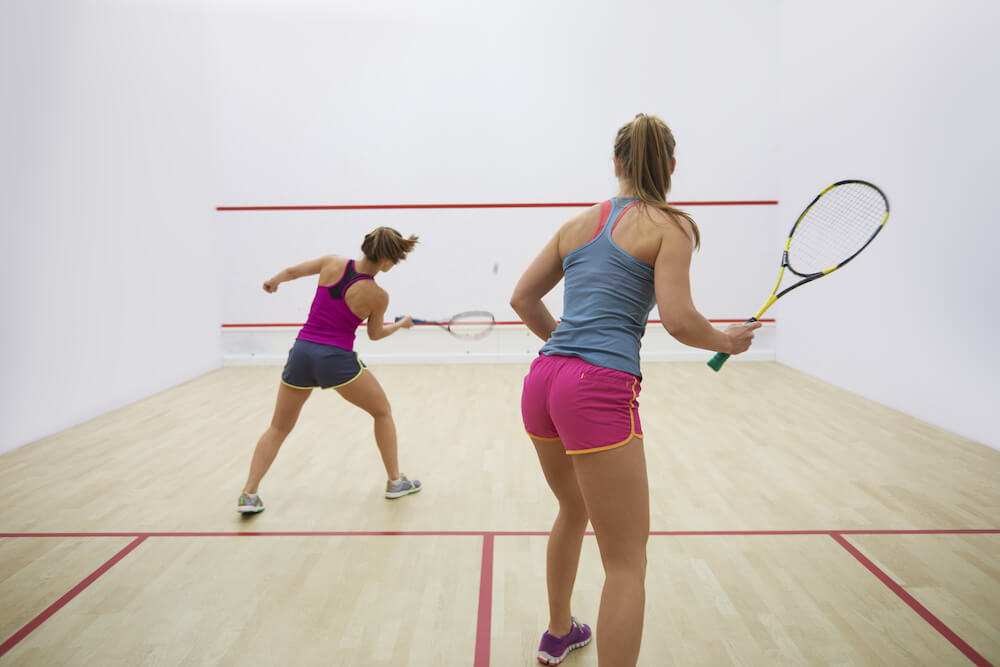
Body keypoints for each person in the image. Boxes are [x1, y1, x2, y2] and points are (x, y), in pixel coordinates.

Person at [510, 114, 760, 666]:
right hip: (595, 389)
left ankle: (558, 633)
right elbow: (679, 320)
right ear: (670, 166)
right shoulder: (672, 226)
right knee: (626, 562)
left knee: (571, 509)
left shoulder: (576, 225)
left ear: (616, 162)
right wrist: (730, 341)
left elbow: (522, 300)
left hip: (543, 378)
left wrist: (568, 350)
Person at [237, 227, 423, 513]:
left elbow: (292, 271)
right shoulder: (377, 295)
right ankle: (395, 482)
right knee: (382, 411)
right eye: (395, 260)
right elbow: (374, 334)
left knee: (278, 427)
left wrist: (273, 281)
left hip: (301, 353)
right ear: (386, 261)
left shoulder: (332, 262)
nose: (394, 266)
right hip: (335, 360)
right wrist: (401, 325)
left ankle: (248, 494)